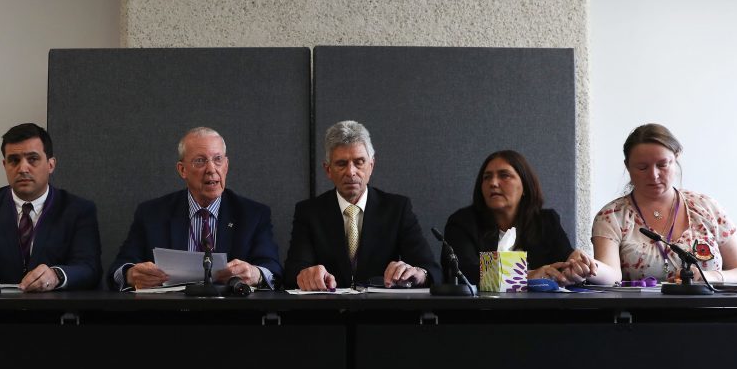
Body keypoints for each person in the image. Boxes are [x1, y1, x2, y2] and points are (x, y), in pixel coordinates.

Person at [108, 127, 282, 290]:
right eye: (200, 161)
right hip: (170, 314)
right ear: (182, 170)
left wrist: (255, 274)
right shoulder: (152, 214)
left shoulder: (252, 214)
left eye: (218, 159)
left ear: (226, 165)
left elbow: (273, 269)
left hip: (231, 315)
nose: (211, 169)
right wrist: (131, 274)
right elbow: (119, 270)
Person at [0, 123, 102, 291]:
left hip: (57, 313)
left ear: (51, 165)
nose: (22, 168)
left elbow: (89, 269)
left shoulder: (77, 210)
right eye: (14, 160)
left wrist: (56, 275)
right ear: (4, 165)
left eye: (33, 159)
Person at [589, 123, 737, 284]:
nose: (653, 175)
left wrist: (710, 276)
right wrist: (588, 267)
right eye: (642, 167)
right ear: (627, 166)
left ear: (676, 159)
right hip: (642, 312)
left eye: (662, 165)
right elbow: (612, 275)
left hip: (710, 310)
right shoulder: (612, 216)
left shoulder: (706, 207)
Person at [284, 120, 441, 290]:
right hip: (329, 311)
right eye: (341, 164)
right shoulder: (309, 212)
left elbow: (432, 270)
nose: (351, 172)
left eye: (359, 162)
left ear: (371, 165)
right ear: (328, 169)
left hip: (381, 312)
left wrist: (418, 273)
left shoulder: (397, 208)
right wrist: (306, 275)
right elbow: (293, 273)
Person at [444, 150, 597, 286]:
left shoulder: (546, 221)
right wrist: (526, 276)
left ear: (525, 185)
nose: (493, 183)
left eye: (504, 175)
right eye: (487, 177)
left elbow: (564, 261)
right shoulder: (462, 223)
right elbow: (461, 271)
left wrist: (574, 265)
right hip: (482, 313)